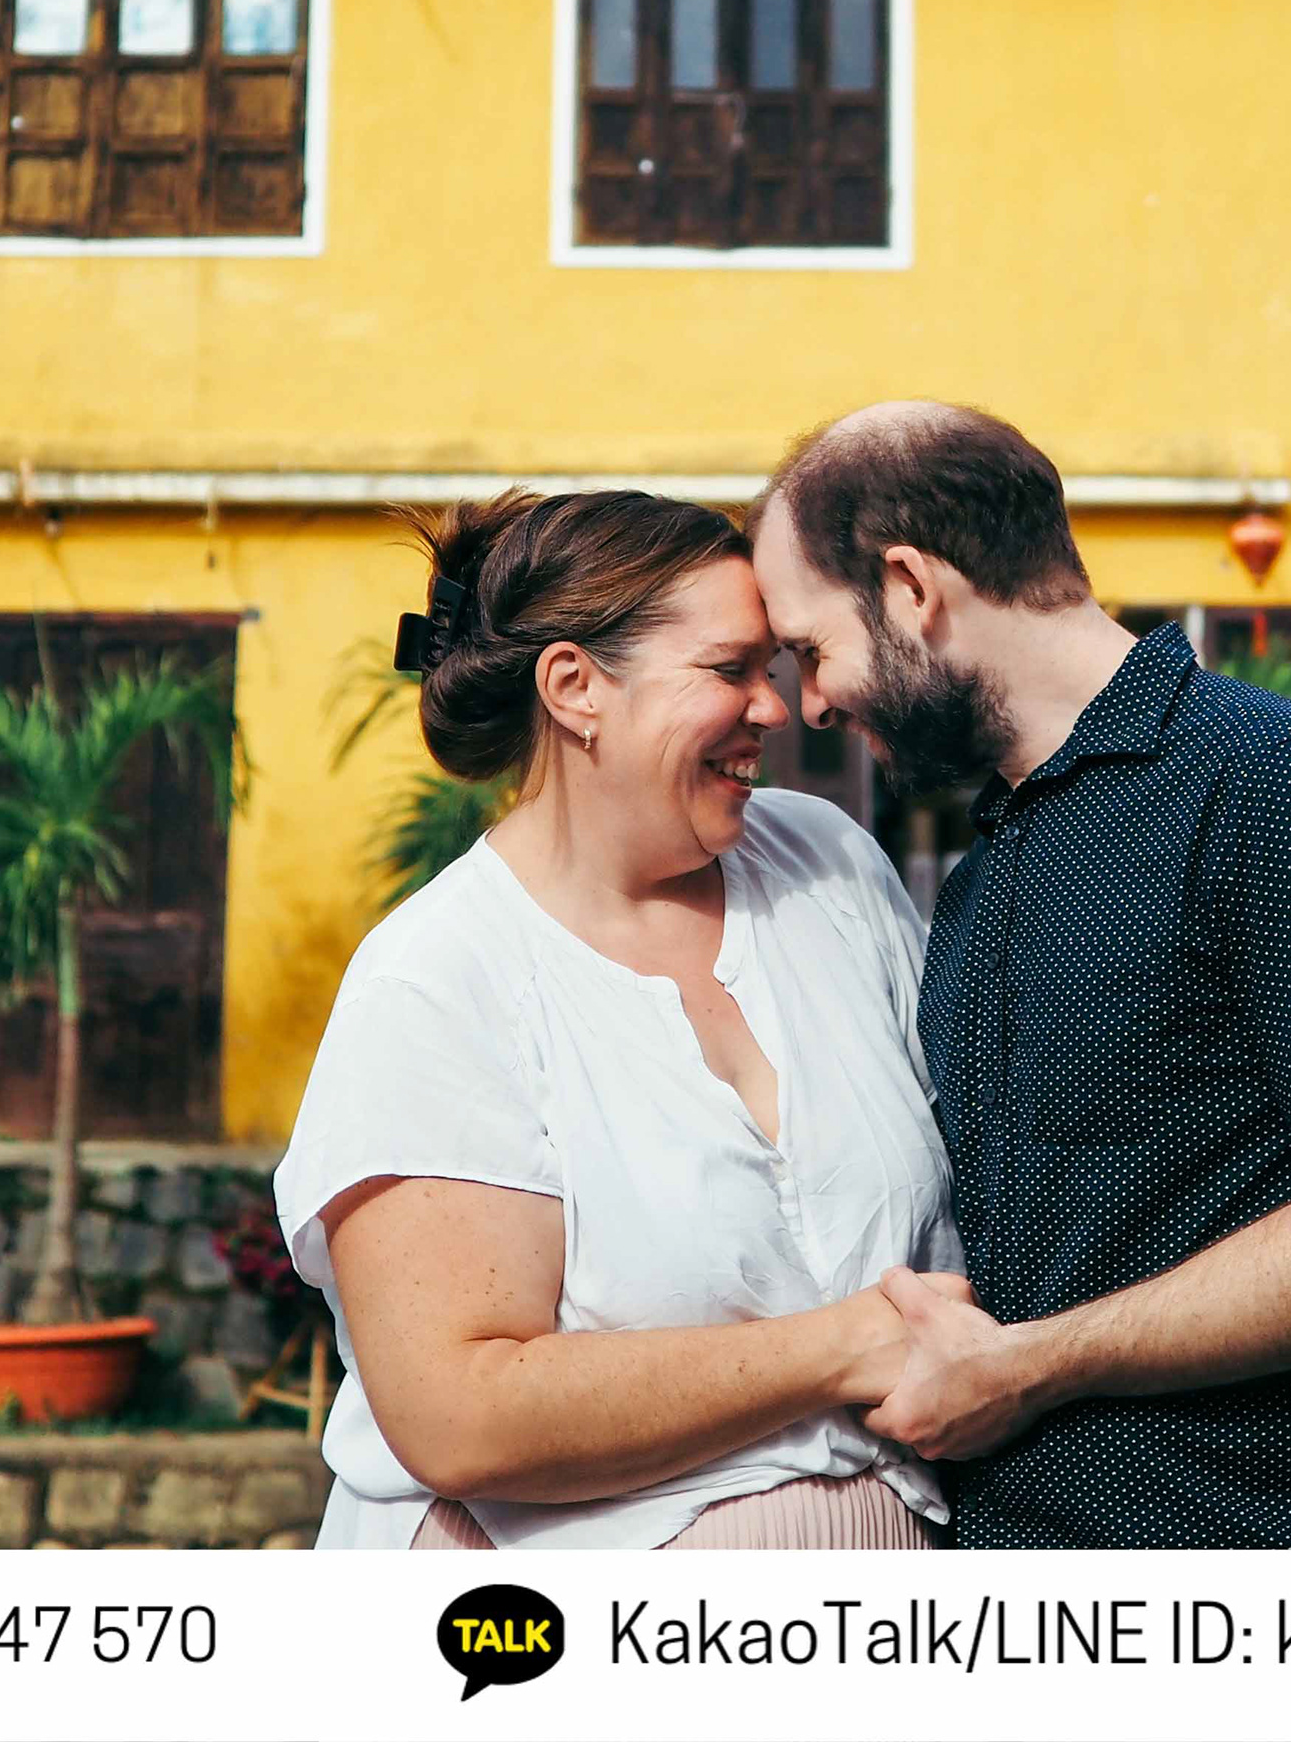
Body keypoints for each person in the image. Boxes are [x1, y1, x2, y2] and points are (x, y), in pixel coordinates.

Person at [751, 400, 1291, 1548]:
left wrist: (1028, 1369)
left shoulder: (1270, 781)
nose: (812, 703)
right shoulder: (988, 862)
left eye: (810, 648)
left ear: (909, 587)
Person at [274, 487, 959, 1549]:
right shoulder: (439, 979)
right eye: (730, 671)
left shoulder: (826, 867)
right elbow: (459, 1413)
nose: (775, 709)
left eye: (771, 669)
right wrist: (842, 1348)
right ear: (575, 687)